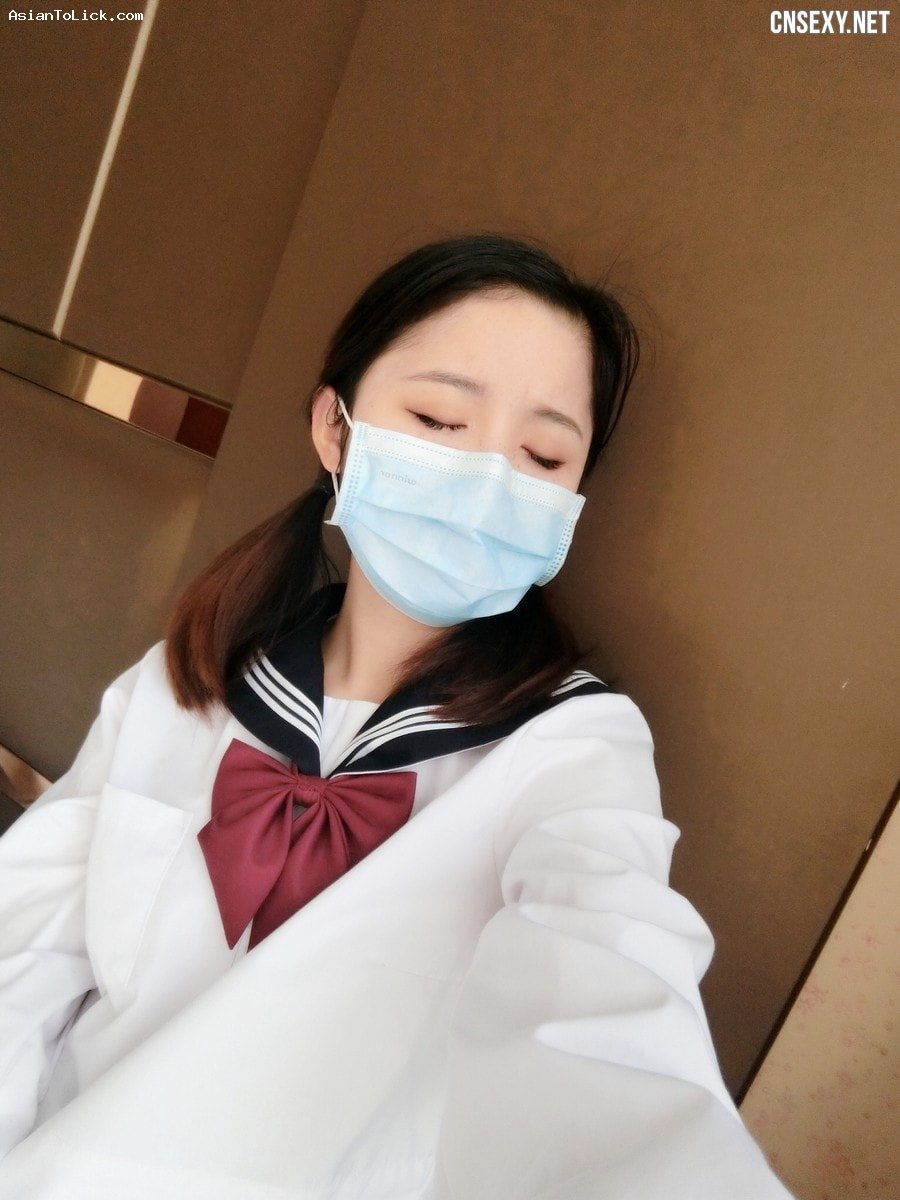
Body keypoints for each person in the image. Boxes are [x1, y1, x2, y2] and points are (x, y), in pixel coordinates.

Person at [0, 235, 793, 1198]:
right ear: (335, 430)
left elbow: (611, 1003)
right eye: (439, 418)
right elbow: (24, 942)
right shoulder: (187, 681)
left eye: (543, 454)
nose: (489, 477)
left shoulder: (573, 751)